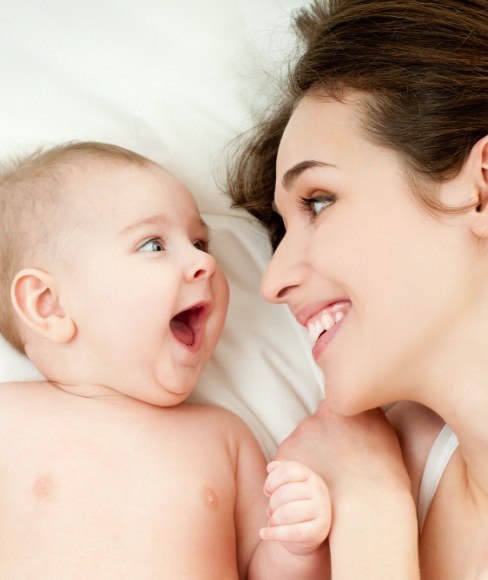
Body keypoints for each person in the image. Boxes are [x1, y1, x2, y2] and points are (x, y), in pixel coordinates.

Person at [227, 0, 488, 577]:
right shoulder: (365, 467)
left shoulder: (366, 478)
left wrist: (373, 511)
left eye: (317, 202)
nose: (272, 282)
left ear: (481, 189)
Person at [0, 141, 332, 579]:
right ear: (49, 305)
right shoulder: (10, 419)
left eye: (200, 242)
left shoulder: (225, 439)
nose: (204, 262)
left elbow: (261, 567)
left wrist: (296, 547)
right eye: (153, 245)